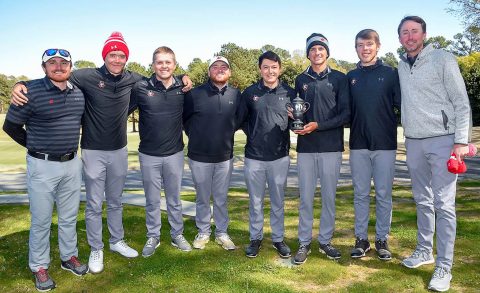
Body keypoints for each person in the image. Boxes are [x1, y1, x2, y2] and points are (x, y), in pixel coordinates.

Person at [10, 32, 192, 274]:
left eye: (121, 55)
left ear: (126, 58)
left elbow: (160, 78)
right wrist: (21, 84)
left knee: (115, 201)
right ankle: (97, 248)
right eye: (112, 54)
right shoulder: (86, 76)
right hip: (93, 150)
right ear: (105, 56)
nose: (116, 59)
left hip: (119, 149)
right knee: (95, 204)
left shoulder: (133, 80)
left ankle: (116, 241)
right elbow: (56, 75)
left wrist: (184, 77)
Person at [3, 49, 88, 291]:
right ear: (44, 68)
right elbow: (11, 126)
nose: (58, 67)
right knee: (41, 220)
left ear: (71, 67)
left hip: (72, 163)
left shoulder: (79, 93)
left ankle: (68, 257)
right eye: (52, 63)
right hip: (42, 165)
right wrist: (36, 146)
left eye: (64, 63)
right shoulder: (30, 91)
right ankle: (39, 266)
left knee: (69, 217)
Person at [397, 16, 471, 292]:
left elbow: (461, 102)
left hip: (443, 141)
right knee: (422, 200)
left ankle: (444, 266)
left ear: (424, 34)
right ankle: (424, 251)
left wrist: (461, 141)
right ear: (400, 38)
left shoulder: (442, 58)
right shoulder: (402, 65)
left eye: (414, 31)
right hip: (413, 141)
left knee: (444, 204)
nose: (410, 36)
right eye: (405, 32)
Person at [292, 33, 350, 265]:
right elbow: (297, 113)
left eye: (321, 49)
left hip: (331, 147)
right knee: (305, 198)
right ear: (308, 53)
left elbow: (346, 114)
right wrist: (293, 121)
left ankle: (325, 240)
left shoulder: (339, 78)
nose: (317, 53)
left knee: (328, 198)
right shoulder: (300, 79)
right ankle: (304, 242)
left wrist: (319, 126)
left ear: (327, 52)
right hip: (306, 148)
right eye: (313, 49)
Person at [129, 47, 192, 256]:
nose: (164, 66)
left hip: (174, 153)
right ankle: (153, 236)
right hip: (148, 154)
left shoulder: (183, 89)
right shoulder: (140, 87)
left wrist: (185, 78)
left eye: (168, 62)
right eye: (159, 62)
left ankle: (177, 234)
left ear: (174, 64)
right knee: (152, 200)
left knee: (174, 199)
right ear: (153, 65)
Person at [347, 29, 401, 261]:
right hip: (358, 143)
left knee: (383, 194)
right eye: (360, 45)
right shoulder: (350, 77)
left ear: (378, 46)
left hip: (385, 144)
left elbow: (403, 105)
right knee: (360, 194)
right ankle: (361, 239)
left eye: (369, 44)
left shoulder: (391, 73)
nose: (365, 48)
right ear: (356, 48)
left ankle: (381, 239)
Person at [237, 51, 295, 258]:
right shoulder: (250, 92)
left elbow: (297, 119)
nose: (270, 71)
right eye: (266, 67)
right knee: (256, 201)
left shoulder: (290, 93)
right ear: (260, 69)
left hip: (280, 156)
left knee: (278, 201)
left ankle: (278, 239)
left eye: (274, 67)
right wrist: (252, 133)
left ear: (279, 69)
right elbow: (241, 119)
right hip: (254, 157)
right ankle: (256, 238)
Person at [183, 56, 241, 251]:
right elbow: (185, 120)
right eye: (215, 67)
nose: (219, 69)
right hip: (198, 156)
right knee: (202, 197)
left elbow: (238, 120)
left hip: (224, 156)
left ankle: (222, 233)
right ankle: (204, 231)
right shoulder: (194, 94)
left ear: (229, 72)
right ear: (209, 72)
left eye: (223, 66)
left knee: (221, 197)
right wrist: (198, 136)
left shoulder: (236, 94)